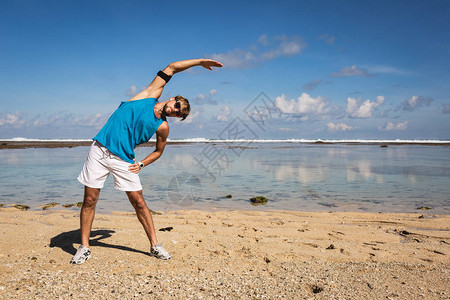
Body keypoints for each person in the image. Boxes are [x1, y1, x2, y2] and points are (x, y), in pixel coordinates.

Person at [70, 58, 223, 264]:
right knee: (89, 199)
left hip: (124, 158)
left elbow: (159, 151)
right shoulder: (149, 95)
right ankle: (84, 247)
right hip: (99, 150)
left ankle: (154, 246)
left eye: (179, 113)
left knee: (139, 202)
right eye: (177, 105)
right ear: (172, 98)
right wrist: (199, 62)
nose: (175, 110)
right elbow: (172, 67)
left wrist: (141, 163)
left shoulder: (162, 127)